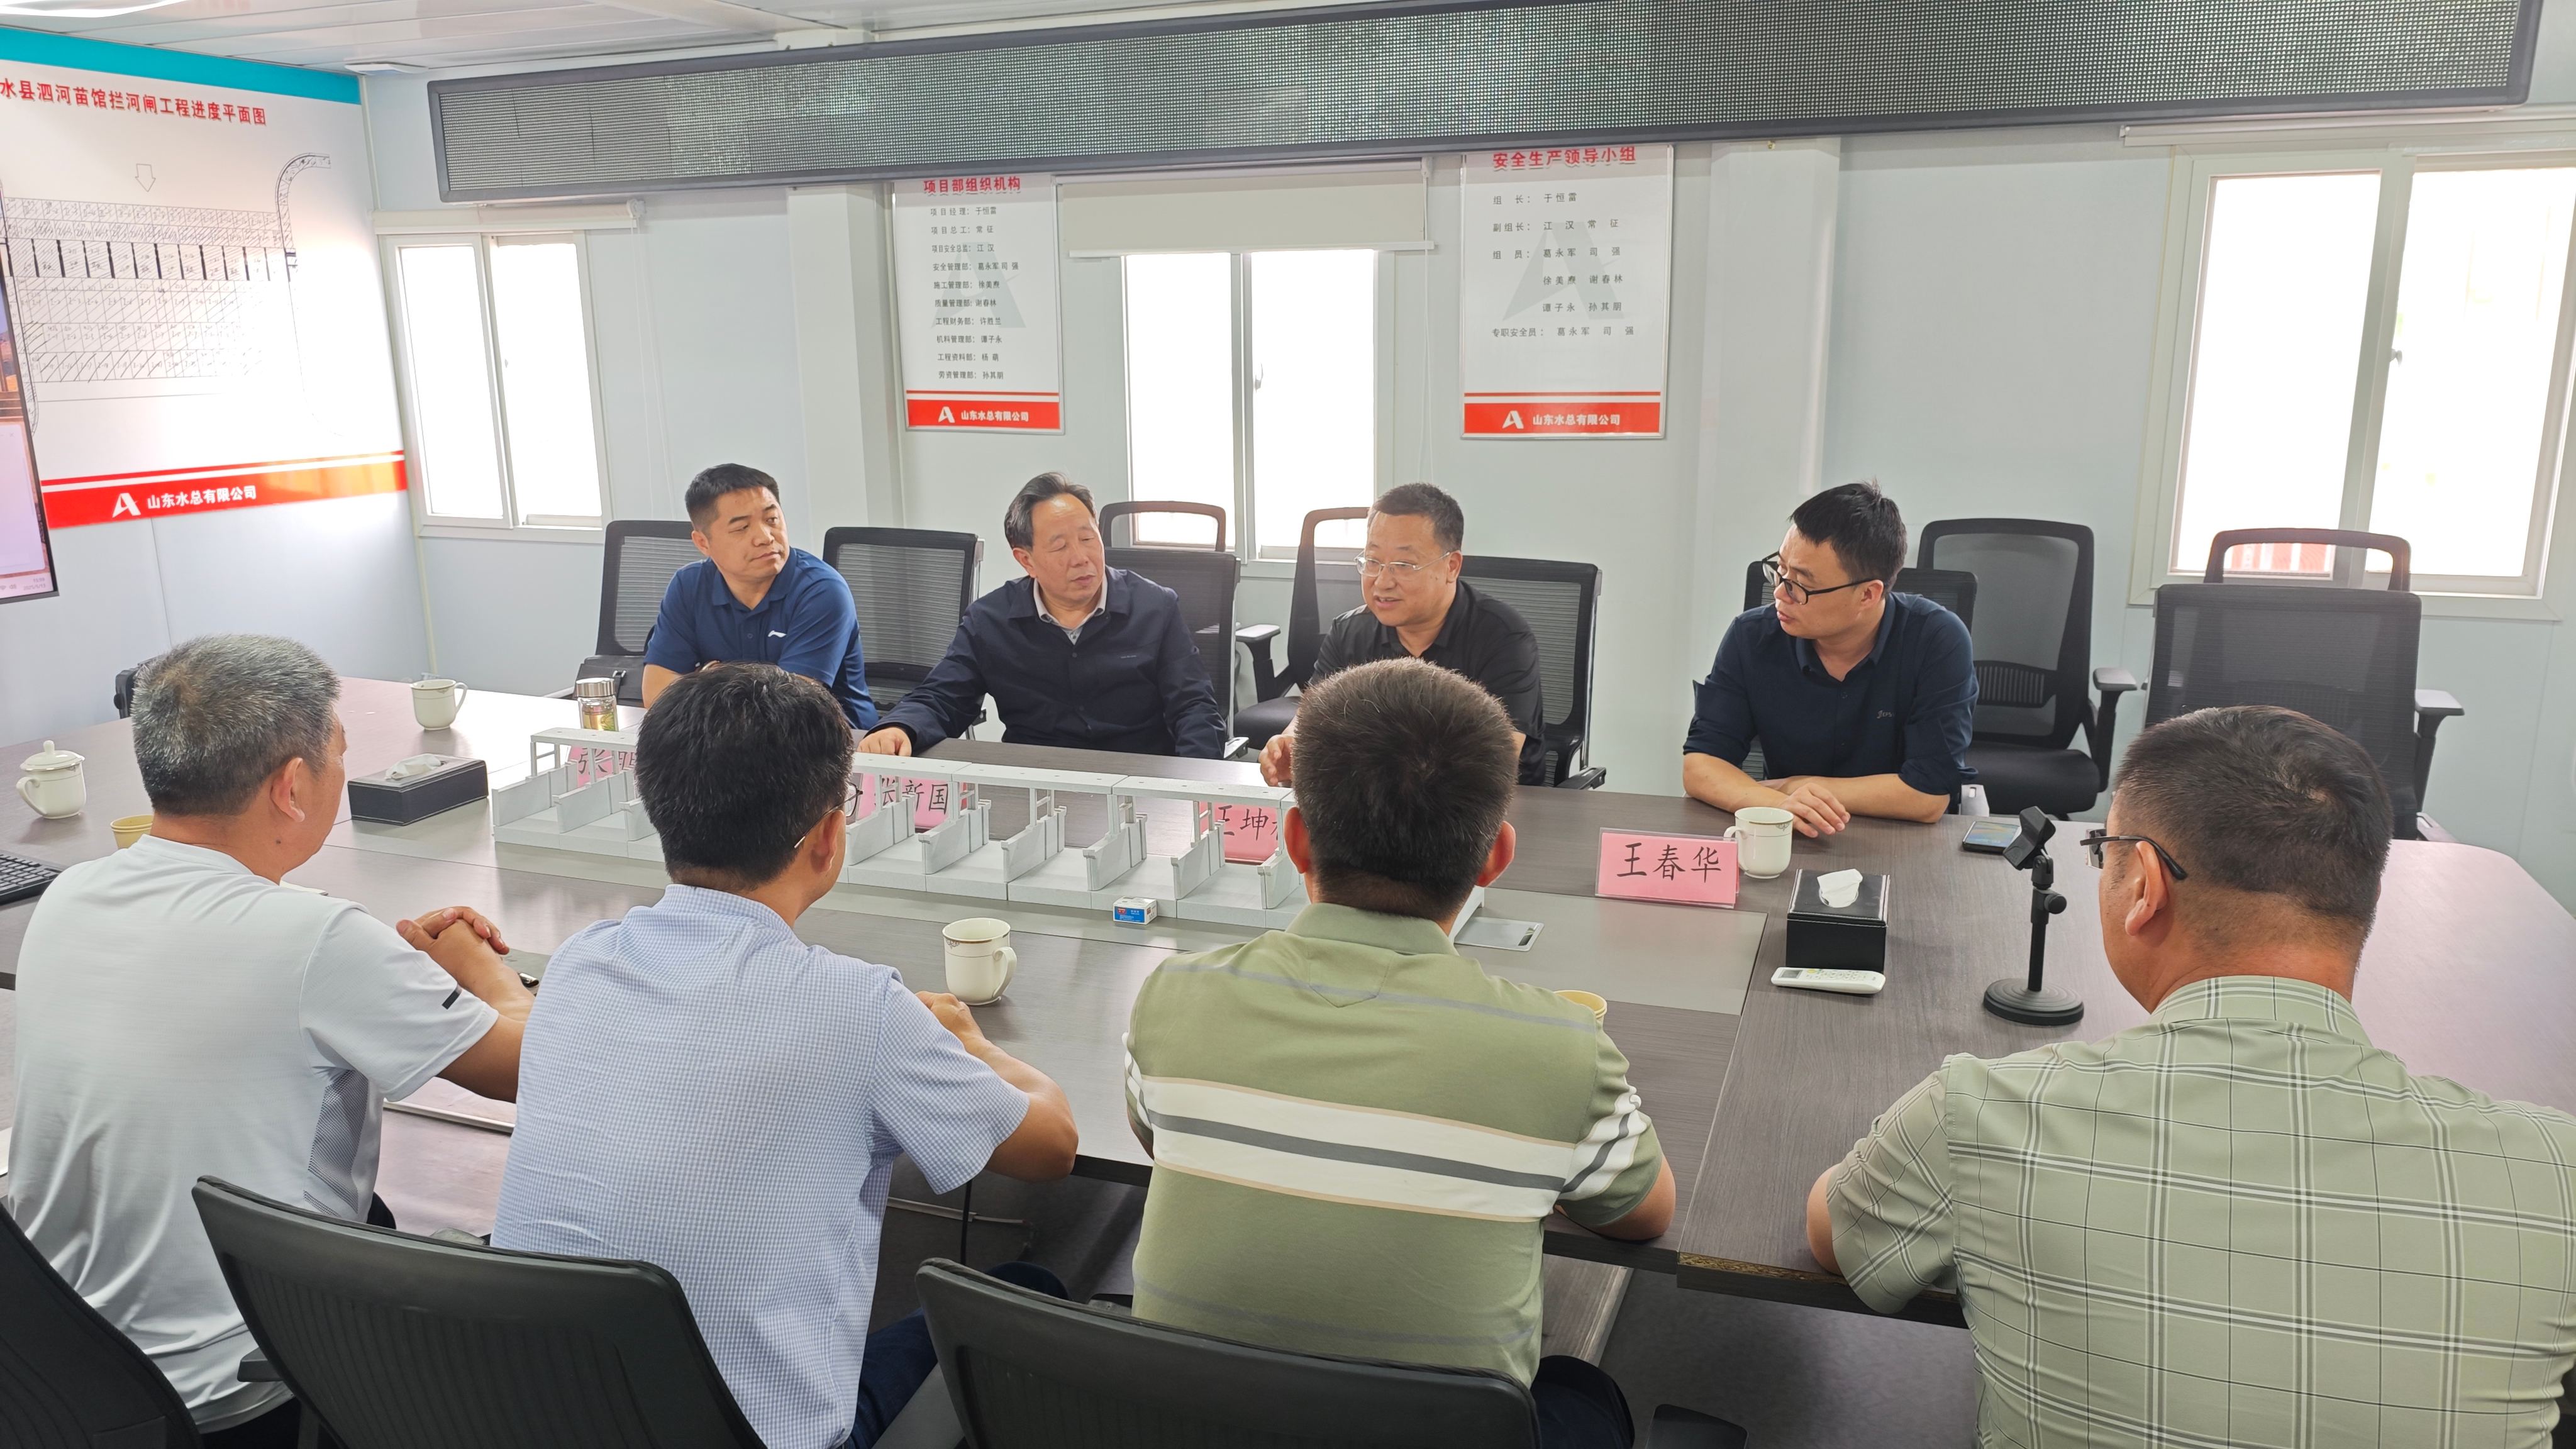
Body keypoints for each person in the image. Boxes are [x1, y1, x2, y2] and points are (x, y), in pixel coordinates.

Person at [1807, 706, 2576, 1448]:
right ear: (2365, 895)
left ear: (2144, 885)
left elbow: (1837, 1233)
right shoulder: (2554, 1170)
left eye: (2101, 851)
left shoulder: (1983, 1113)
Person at [492, 663, 1080, 1449]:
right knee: (1030, 1286)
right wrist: (970, 1045)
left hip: (530, 1417)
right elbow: (1051, 1146)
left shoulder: (580, 961)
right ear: (830, 838)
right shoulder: (860, 1008)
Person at [1127, 658, 1672, 1449]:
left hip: (1190, 1423)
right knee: (1579, 1390)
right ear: (1495, 858)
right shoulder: (1562, 1048)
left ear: (1295, 840)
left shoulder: (1169, 997)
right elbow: (1643, 1215)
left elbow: (1158, 1139)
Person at [8, 635, 531, 1448]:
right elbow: (530, 1070)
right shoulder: (317, 940)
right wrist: (487, 974)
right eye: (340, 755)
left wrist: (389, 973)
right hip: (241, 1391)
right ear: (292, 787)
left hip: (66, 1376)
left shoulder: (71, 896)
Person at [859, 472, 1225, 758]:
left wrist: (1193, 787)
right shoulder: (991, 621)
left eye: (1088, 539)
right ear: (1026, 560)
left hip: (1140, 776)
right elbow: (943, 697)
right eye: (1060, 546)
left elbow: (1194, 707)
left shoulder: (1155, 607)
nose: (1081, 558)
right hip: (1036, 780)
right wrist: (899, 727)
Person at [1681, 480, 1975, 836]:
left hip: (1899, 840)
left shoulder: (1936, 640)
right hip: (1791, 834)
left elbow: (1928, 796)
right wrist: (1778, 803)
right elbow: (1701, 765)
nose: (1779, 593)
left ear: (1868, 595)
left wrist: (1797, 785)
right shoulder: (1752, 636)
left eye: (1801, 584)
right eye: (1780, 570)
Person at [1258, 482, 1546, 787]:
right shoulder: (1349, 633)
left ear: (1451, 566)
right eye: (1373, 562)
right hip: (1373, 798)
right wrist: (1290, 747)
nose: (1382, 582)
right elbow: (1310, 721)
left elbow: (1493, 764)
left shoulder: (1503, 638)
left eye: (1404, 565)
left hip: (1486, 804)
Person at [641, 462, 876, 730]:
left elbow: (789, 709)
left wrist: (705, 680)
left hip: (828, 741)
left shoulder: (821, 589)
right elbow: (656, 695)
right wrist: (714, 685)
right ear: (703, 542)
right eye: (742, 528)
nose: (765, 537)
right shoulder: (689, 585)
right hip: (721, 738)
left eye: (772, 520)